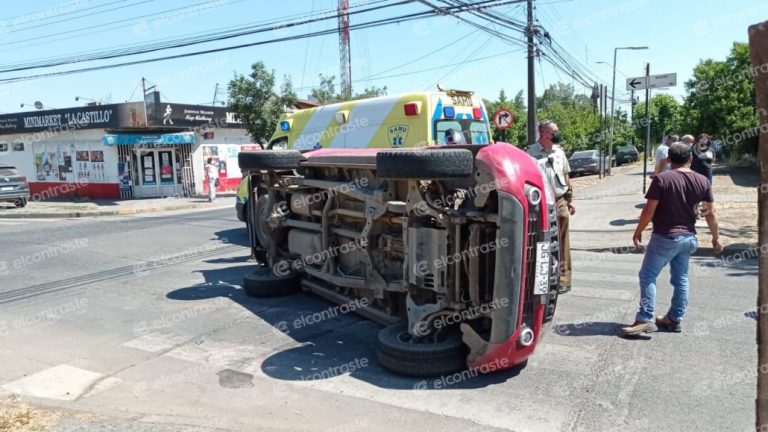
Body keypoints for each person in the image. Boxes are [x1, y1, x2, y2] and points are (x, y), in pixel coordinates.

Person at [622, 142, 723, 336]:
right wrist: (716, 238)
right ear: (691, 159)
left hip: (665, 237)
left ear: (668, 159)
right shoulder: (703, 181)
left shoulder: (662, 179)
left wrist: (638, 231)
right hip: (689, 238)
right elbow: (710, 213)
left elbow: (649, 210)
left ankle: (644, 318)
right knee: (681, 279)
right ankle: (675, 319)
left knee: (647, 276)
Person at [527, 120, 575, 294]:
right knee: (542, 240)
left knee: (562, 240)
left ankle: (563, 279)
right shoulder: (530, 153)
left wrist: (570, 201)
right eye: (554, 131)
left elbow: (566, 176)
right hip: (542, 203)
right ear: (544, 133)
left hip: (560, 199)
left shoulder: (560, 152)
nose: (557, 134)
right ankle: (542, 279)